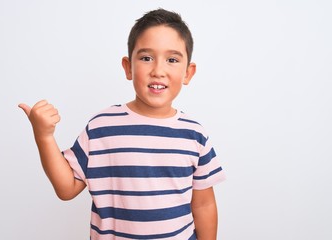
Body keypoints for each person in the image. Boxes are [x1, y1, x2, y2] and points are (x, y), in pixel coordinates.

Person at [19, 8, 225, 240]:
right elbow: (66, 189)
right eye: (146, 58)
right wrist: (44, 136)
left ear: (188, 72)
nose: (158, 70)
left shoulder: (194, 134)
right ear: (128, 67)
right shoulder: (101, 128)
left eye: (172, 60)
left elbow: (204, 205)